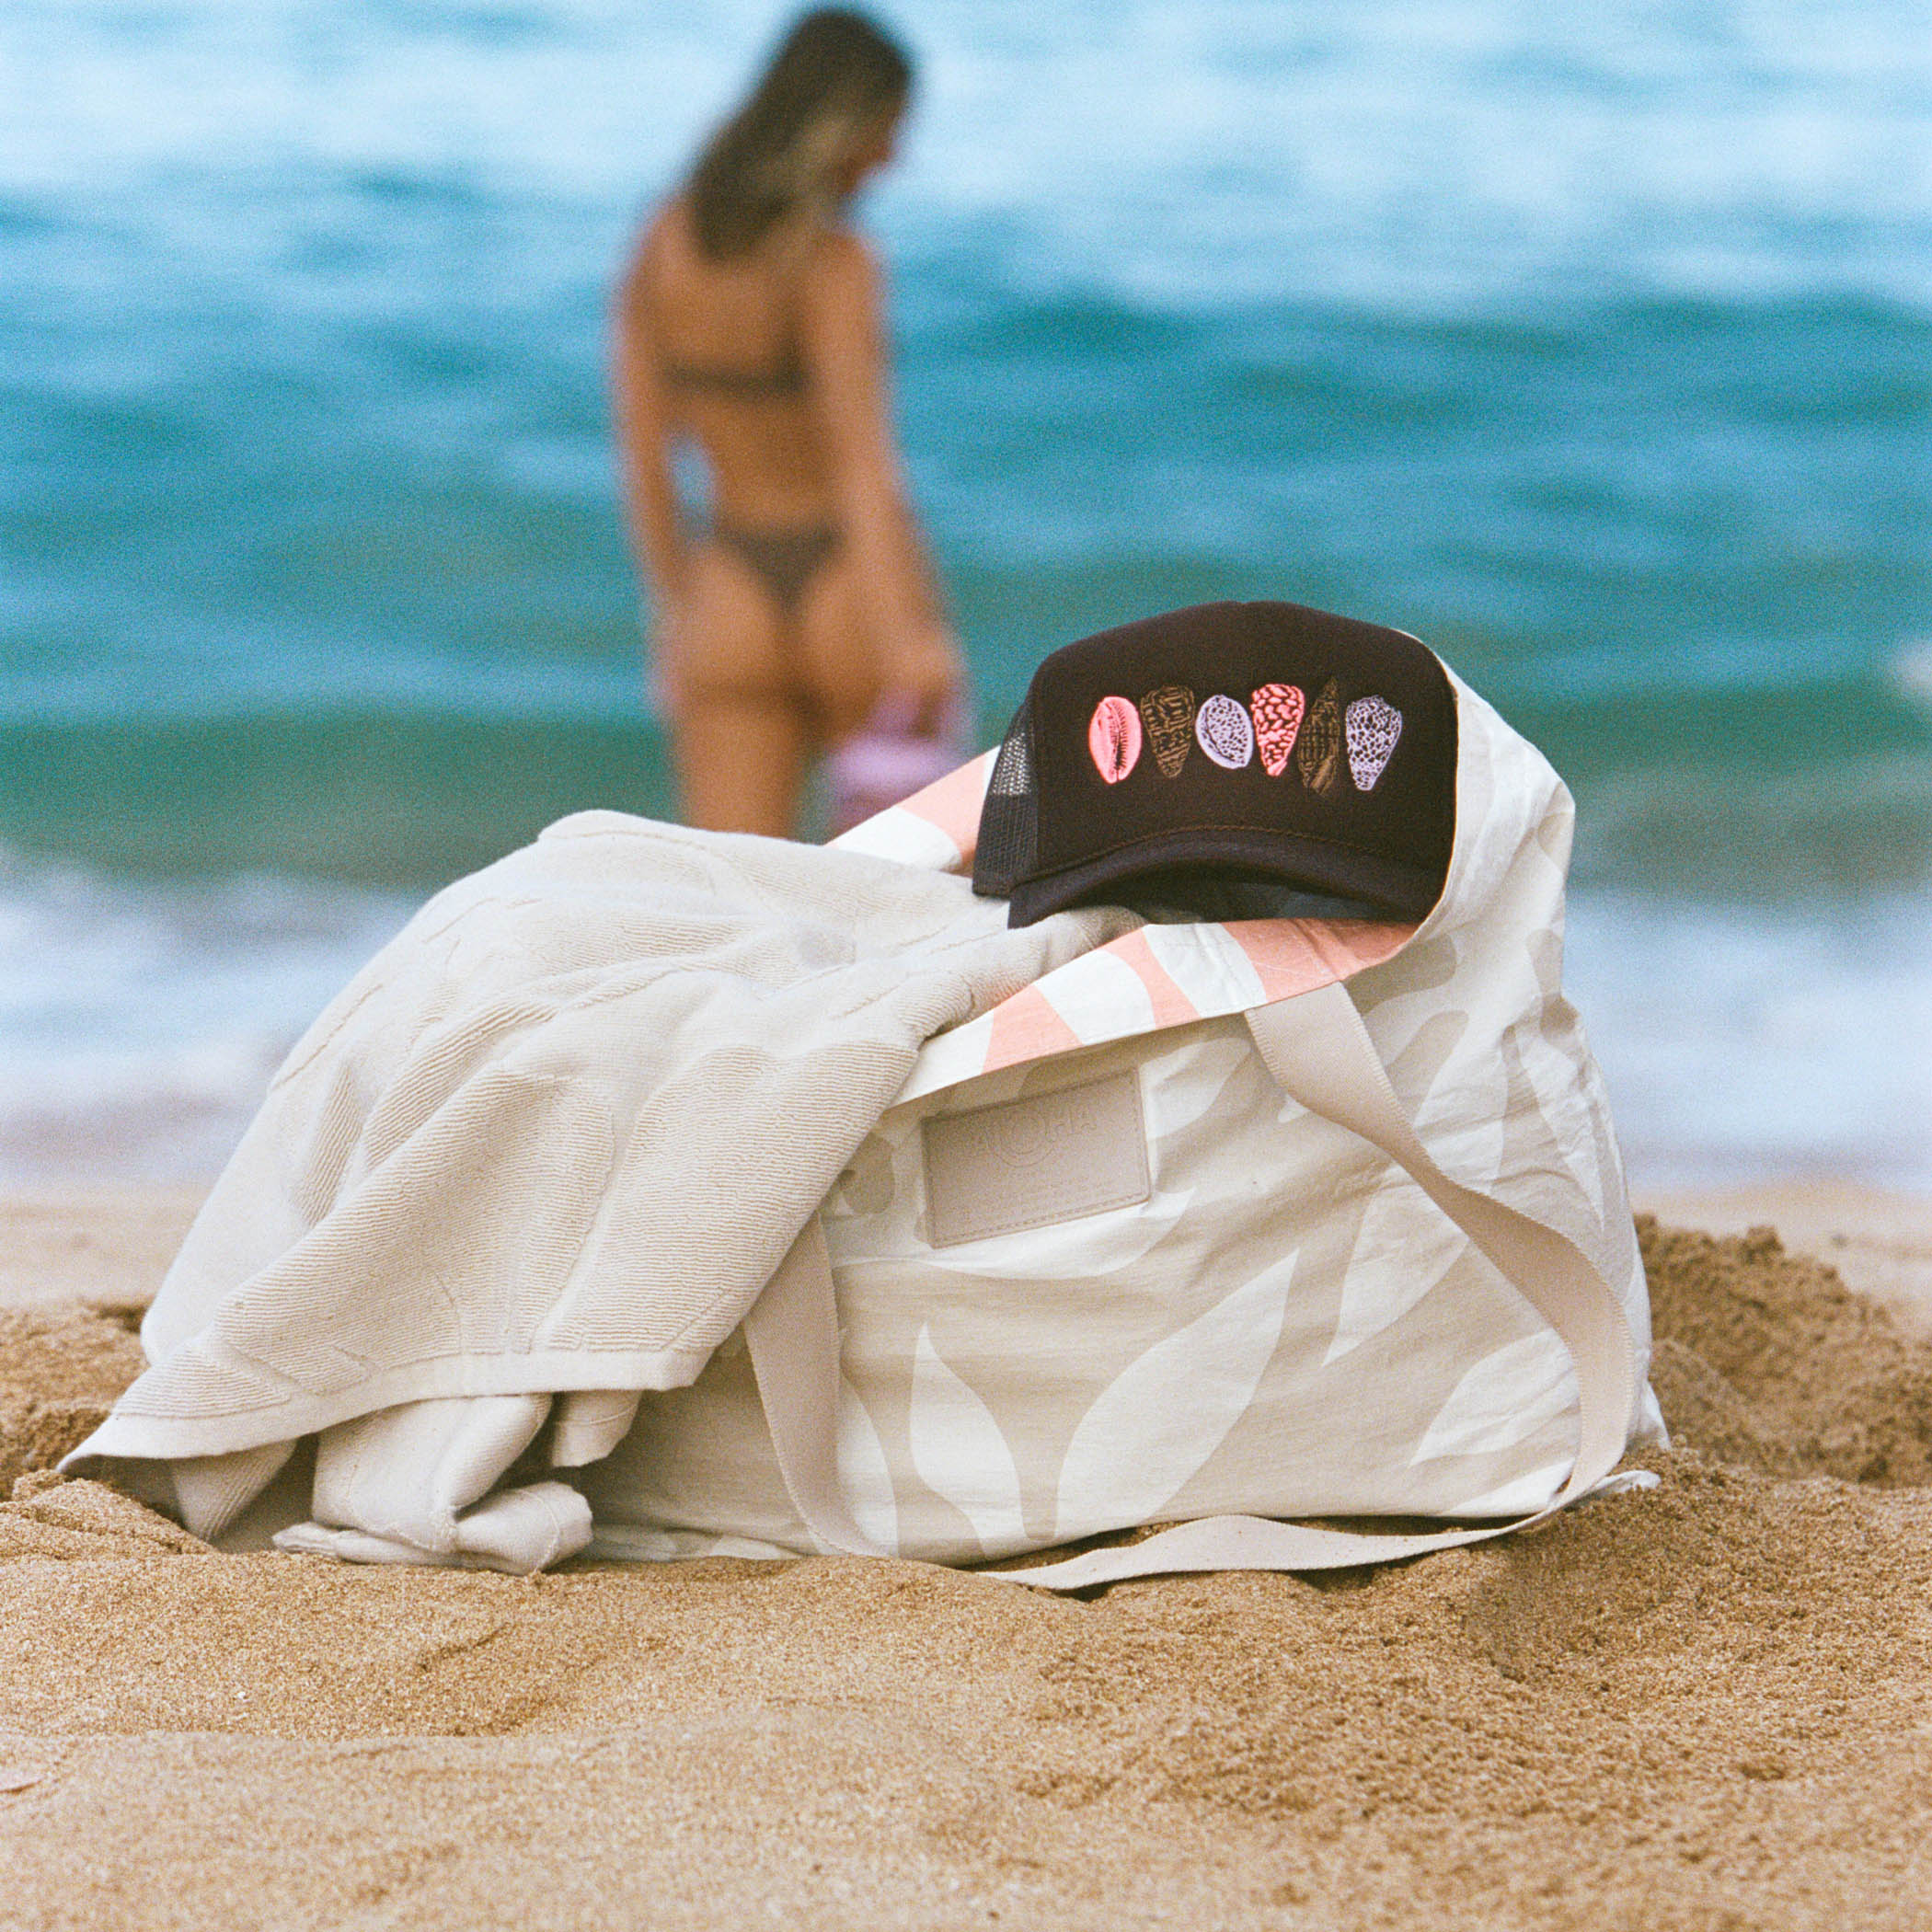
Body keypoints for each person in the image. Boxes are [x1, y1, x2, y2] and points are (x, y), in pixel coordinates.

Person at [613, 6, 966, 839]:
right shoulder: (838, 263)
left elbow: (644, 457)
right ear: (837, 126)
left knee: (739, 894)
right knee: (894, 894)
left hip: (729, 588)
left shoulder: (664, 241)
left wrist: (676, 609)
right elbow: (862, 467)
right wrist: (912, 634)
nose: (893, 157)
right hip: (846, 591)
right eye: (886, 130)